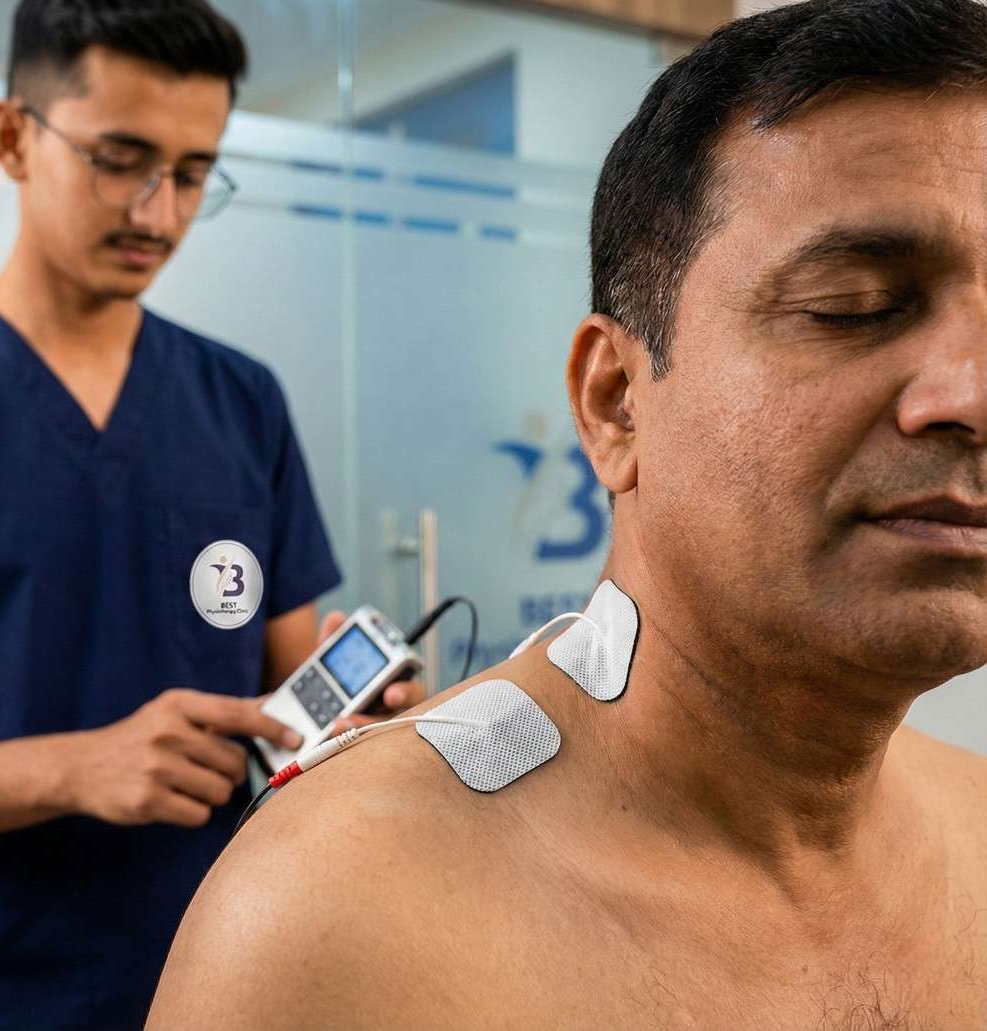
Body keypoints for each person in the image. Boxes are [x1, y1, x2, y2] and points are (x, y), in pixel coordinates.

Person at [148, 1, 987, 1027]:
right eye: (851, 305)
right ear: (612, 401)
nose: (967, 392)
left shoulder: (975, 827)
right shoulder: (336, 926)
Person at [0, 1, 420, 1026]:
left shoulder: (241, 402)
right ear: (11, 137)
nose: (157, 212)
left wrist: (356, 724)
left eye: (191, 173)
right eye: (120, 158)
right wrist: (78, 765)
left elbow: (283, 699)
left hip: (232, 985)